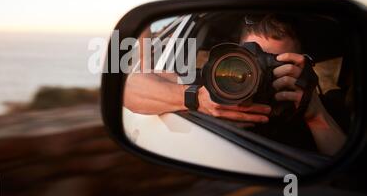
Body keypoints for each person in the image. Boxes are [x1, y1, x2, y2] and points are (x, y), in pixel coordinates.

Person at [124, 14, 347, 156]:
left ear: (299, 65)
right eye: (252, 59)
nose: (260, 73)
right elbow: (130, 89)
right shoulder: (214, 84)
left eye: (276, 63)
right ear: (236, 54)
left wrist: (315, 115)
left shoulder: (316, 105)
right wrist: (196, 99)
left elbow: (351, 175)